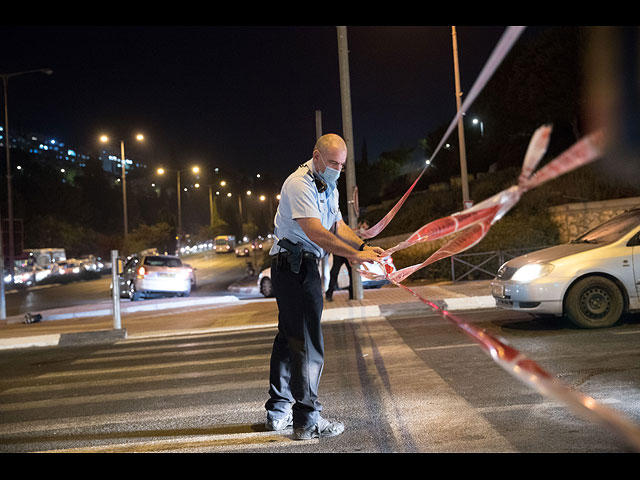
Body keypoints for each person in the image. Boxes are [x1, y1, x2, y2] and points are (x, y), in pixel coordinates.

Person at [264, 133, 384, 440]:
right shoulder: (299, 183)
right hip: (295, 267)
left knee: (289, 338)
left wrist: (363, 246)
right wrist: (355, 255)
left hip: (298, 266)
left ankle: (278, 412)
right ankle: (307, 419)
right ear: (316, 157)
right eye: (332, 163)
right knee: (307, 342)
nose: (337, 170)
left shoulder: (327, 184)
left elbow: (337, 226)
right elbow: (316, 232)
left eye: (342, 165)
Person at [325, 220, 368, 302]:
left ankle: (352, 294)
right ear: (360, 223)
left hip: (348, 254)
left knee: (352, 273)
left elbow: (361, 243)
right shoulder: (349, 227)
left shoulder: (361, 232)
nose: (365, 227)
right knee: (335, 272)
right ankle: (329, 294)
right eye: (365, 225)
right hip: (339, 252)